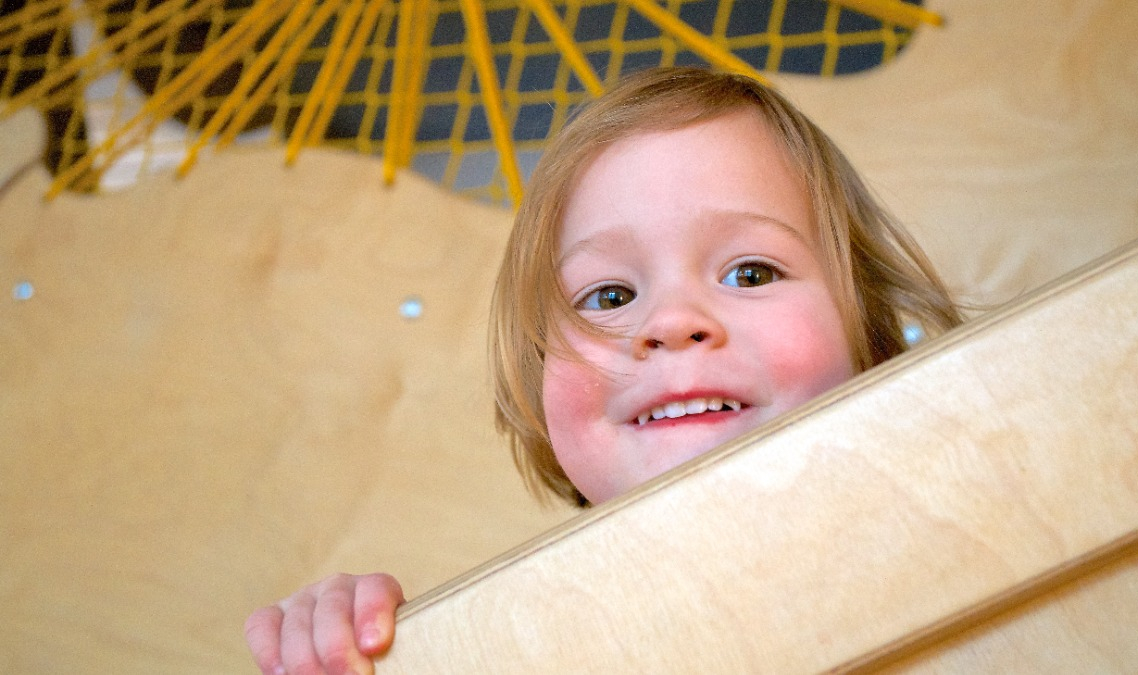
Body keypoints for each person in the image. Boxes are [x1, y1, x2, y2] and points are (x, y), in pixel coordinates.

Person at [245, 66, 962, 674]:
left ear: (870, 332)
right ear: (538, 379)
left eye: (750, 271)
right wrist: (360, 646)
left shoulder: (970, 538)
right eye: (611, 295)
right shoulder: (515, 648)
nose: (672, 321)